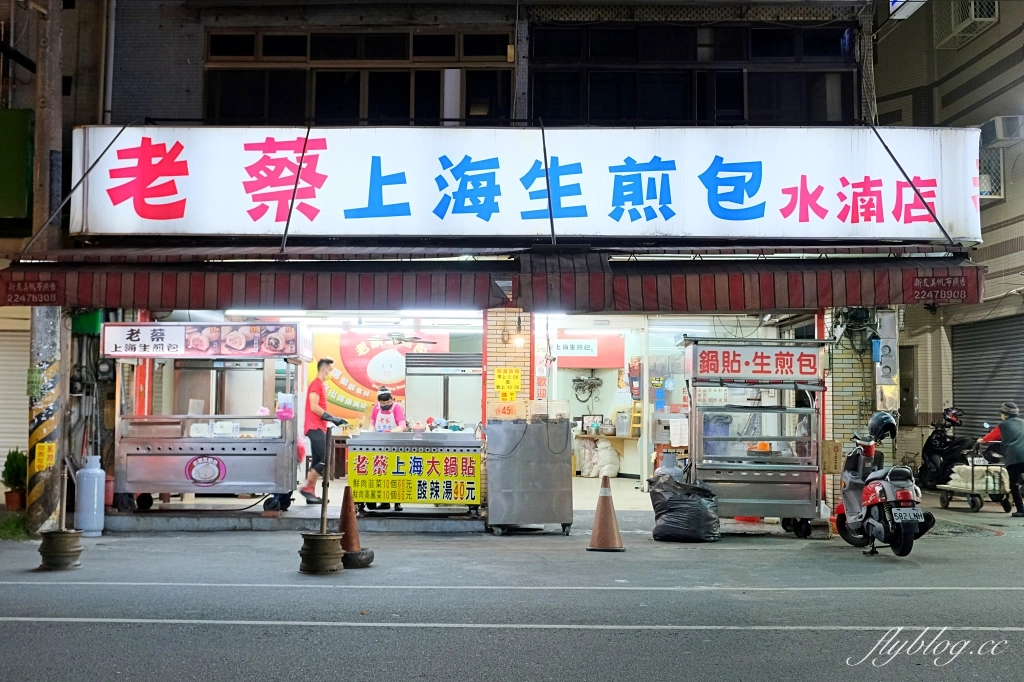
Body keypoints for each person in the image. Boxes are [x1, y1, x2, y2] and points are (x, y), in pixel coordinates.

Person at [299, 357, 347, 504]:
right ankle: (307, 489)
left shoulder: (320, 385)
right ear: (324, 368)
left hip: (319, 427)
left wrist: (332, 419)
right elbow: (314, 407)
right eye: (331, 369)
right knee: (323, 459)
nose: (331, 373)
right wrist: (332, 418)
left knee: (318, 460)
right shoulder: (316, 385)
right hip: (314, 427)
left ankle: (311, 493)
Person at [978, 401, 1024, 518]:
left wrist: (981, 440)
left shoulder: (1003, 425)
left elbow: (991, 437)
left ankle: (1021, 510)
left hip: (1015, 456)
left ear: (1005, 415)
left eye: (1002, 413)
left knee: (1014, 483)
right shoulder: (1022, 422)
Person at [365, 387, 407, 512]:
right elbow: (372, 422)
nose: (385, 405)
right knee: (381, 472)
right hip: (379, 444)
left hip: (393, 444)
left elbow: (402, 425)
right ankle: (384, 502)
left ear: (391, 399)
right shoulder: (376, 407)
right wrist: (371, 433)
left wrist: (391, 431)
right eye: (383, 403)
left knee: (394, 474)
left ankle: (397, 503)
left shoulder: (396, 407)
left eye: (388, 402)